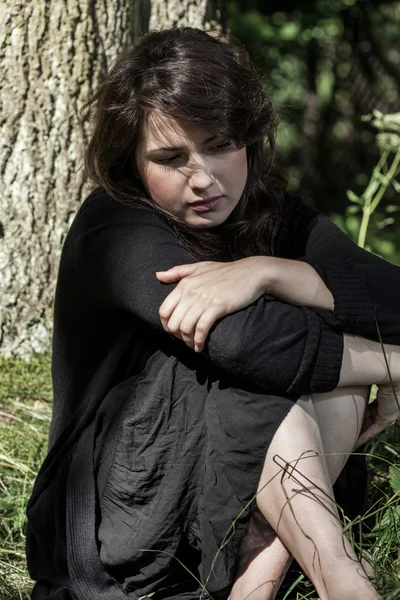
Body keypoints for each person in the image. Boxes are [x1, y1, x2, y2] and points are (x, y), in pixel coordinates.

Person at [26, 27, 400, 600]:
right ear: (132, 160)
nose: (202, 179)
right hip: (121, 523)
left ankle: (259, 583)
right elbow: (240, 343)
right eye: (170, 158)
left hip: (230, 503)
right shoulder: (115, 226)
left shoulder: (271, 213)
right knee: (251, 355)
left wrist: (278, 273)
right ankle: (343, 578)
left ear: (248, 139)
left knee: (312, 345)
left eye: (221, 144)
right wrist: (393, 366)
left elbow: (390, 294)